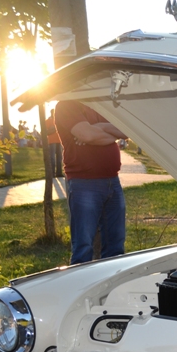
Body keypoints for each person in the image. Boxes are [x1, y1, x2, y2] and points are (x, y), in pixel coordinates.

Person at [55, 100, 128, 264]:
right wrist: (111, 134)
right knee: (83, 248)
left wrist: (98, 130)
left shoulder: (102, 104)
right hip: (85, 184)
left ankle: (111, 287)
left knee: (115, 246)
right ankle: (82, 287)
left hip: (113, 182)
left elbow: (126, 130)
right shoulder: (67, 105)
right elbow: (88, 135)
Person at [46, 108, 63, 177]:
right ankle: (52, 173)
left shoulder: (59, 120)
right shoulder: (48, 121)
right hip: (52, 141)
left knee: (59, 157)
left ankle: (59, 173)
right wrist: (54, 128)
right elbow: (46, 131)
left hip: (59, 140)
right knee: (52, 157)